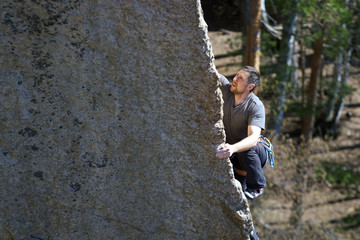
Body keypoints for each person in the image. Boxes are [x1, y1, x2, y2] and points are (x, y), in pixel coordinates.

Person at [216, 66, 267, 200]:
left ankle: (257, 185)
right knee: (234, 197)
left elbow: (253, 138)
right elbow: (207, 70)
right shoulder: (226, 89)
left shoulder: (255, 106)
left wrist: (232, 148)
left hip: (252, 154)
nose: (235, 79)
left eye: (240, 78)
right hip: (234, 156)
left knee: (247, 146)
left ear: (250, 86)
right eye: (236, 75)